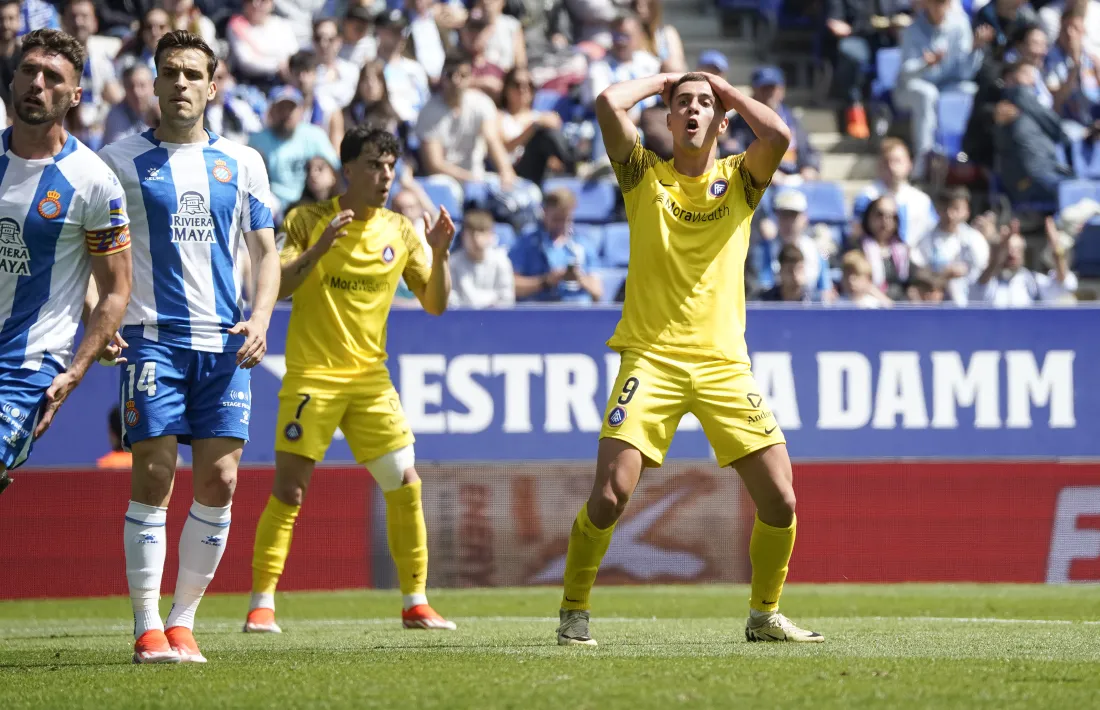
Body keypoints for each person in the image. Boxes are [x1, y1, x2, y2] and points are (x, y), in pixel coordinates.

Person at [554, 71, 823, 646]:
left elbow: (777, 133)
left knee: (780, 496)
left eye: (705, 105)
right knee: (609, 495)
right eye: (683, 105)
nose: (694, 111)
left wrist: (723, 88)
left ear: (722, 122)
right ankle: (573, 610)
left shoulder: (741, 180)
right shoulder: (642, 176)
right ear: (668, 120)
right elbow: (606, 102)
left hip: (724, 364)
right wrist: (664, 80)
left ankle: (764, 614)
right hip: (651, 359)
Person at [97, 30, 281, 665]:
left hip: (225, 345)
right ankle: (147, 623)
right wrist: (102, 319)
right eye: (169, 72)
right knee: (152, 474)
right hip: (151, 340)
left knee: (222, 481)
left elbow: (265, 253)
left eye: (191, 74)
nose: (180, 84)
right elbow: (94, 250)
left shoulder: (244, 162)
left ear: (214, 82)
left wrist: (259, 319)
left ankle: (183, 620)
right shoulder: (117, 161)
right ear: (153, 79)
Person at [246, 125, 458, 635]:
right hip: (313, 376)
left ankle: (415, 601)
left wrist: (441, 253)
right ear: (348, 169)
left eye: (390, 166)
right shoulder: (307, 219)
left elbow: (434, 304)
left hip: (371, 381)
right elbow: (277, 288)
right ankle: (262, 602)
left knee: (405, 482)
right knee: (291, 491)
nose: (384, 176)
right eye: (372, 165)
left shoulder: (401, 231)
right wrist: (318, 250)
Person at [0, 28, 132, 497]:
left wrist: (75, 371)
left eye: (53, 76)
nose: (37, 83)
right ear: (12, 79)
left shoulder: (94, 181)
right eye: (29, 71)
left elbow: (115, 290)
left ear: (76, 95)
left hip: (27, 364)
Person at [248, 85, 340, 212]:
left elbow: (335, 168)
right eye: (281, 108)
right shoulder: (257, 140)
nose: (286, 114)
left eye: (291, 108)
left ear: (301, 111)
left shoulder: (314, 135)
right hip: (272, 205)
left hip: (310, 202)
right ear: (271, 111)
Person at [723, 66, 820, 184]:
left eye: (772, 88)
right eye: (764, 89)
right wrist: (763, 173)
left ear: (782, 90)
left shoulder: (792, 119)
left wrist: (810, 167)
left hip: (794, 180)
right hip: (758, 186)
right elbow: (734, 153)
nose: (769, 94)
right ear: (754, 90)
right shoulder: (740, 122)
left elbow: (809, 151)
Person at [449, 209, 515, 308]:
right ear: (463, 236)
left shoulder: (501, 262)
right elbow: (451, 300)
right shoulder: (452, 263)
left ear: (491, 235)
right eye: (471, 233)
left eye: (482, 231)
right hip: (462, 321)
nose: (476, 238)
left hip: (495, 320)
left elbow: (507, 299)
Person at [858, 195, 911, 301]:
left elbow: (909, 282)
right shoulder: (857, 248)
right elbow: (857, 281)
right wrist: (884, 301)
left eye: (891, 216)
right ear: (869, 217)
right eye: (880, 215)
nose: (885, 220)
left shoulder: (903, 250)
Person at [102, 63, 157, 145]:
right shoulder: (116, 114)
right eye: (130, 86)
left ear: (153, 86)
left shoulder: (163, 111)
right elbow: (116, 151)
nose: (137, 92)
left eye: (142, 85)